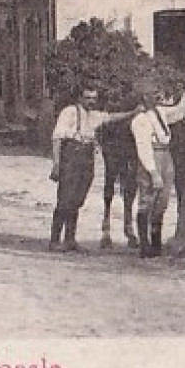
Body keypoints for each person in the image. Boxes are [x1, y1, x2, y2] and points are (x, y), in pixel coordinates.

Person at [49, 85, 137, 252]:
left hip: (87, 157)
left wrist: (133, 113)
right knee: (65, 198)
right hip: (72, 154)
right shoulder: (70, 112)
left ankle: (70, 239)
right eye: (87, 98)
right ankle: (54, 240)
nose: (91, 101)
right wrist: (56, 163)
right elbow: (57, 138)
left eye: (93, 98)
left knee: (78, 199)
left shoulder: (94, 115)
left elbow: (112, 117)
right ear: (80, 98)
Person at [130, 79, 185, 258]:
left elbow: (180, 111)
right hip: (152, 157)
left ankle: (156, 243)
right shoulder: (140, 120)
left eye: (158, 93)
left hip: (166, 155)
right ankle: (144, 245)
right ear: (144, 97)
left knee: (162, 201)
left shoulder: (161, 112)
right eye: (153, 94)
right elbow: (143, 148)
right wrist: (153, 172)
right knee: (147, 199)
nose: (157, 96)